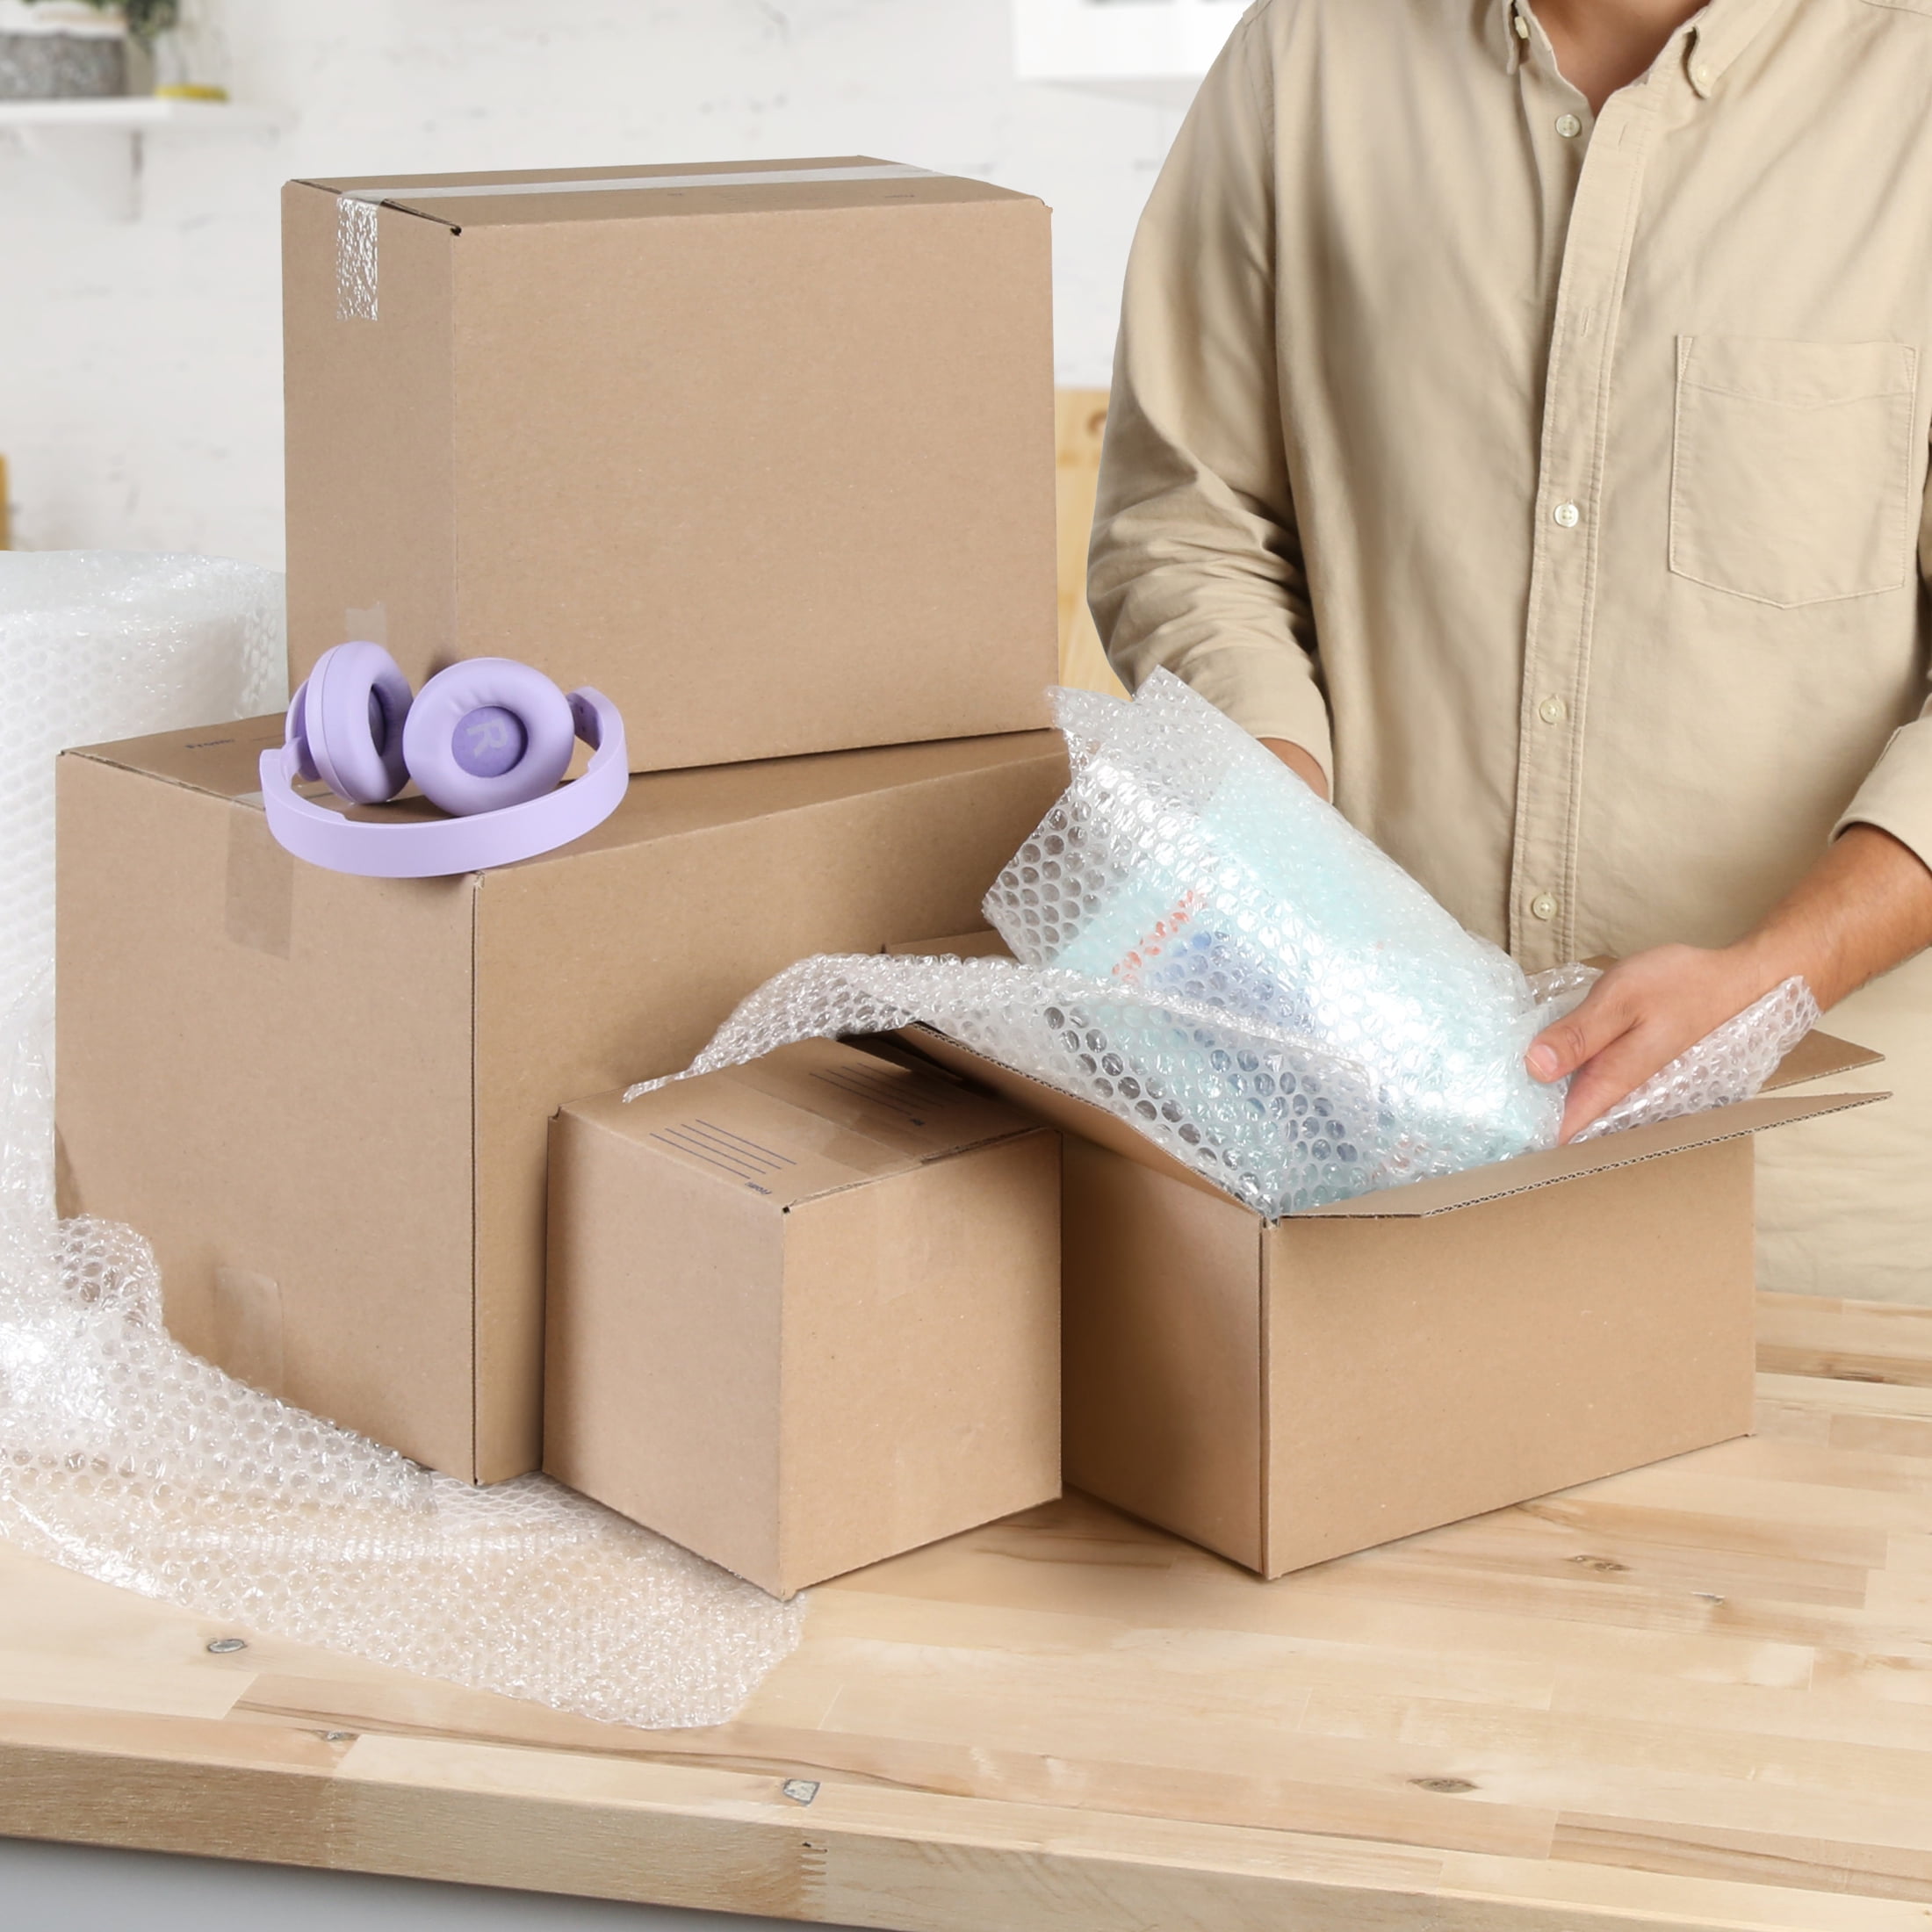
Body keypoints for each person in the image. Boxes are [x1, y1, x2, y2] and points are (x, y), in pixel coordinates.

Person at [1089, 0, 1932, 1300]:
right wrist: (1275, 848)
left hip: (1816, 1213)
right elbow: (1187, 518)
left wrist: (1779, 976)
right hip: (1362, 1163)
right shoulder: (1309, 53)